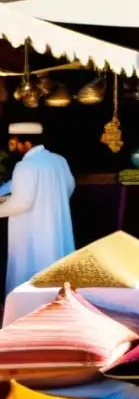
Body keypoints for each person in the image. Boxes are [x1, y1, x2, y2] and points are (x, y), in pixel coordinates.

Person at [0, 122, 75, 296]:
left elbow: (21, 203)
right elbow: (69, 188)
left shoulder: (25, 166)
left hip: (32, 232)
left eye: (15, 143)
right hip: (56, 229)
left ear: (26, 143)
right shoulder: (59, 160)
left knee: (30, 275)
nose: (14, 147)